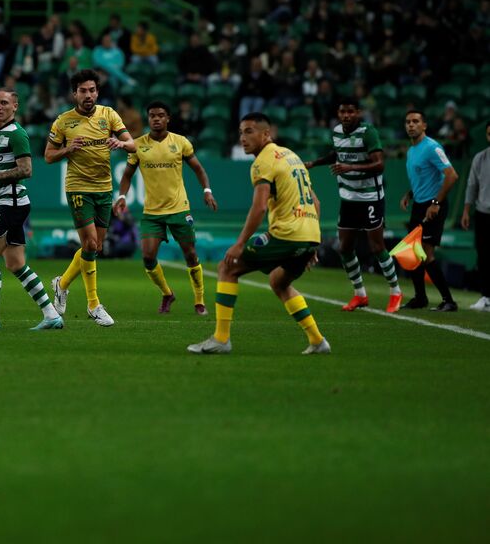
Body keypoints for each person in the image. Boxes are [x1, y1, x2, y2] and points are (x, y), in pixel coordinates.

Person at [188, 112, 330, 355]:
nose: (243, 138)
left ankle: (221, 339)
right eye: (241, 132)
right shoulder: (292, 157)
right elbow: (315, 202)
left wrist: (240, 243)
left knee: (228, 267)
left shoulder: (263, 162)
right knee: (279, 281)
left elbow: (260, 206)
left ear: (266, 134)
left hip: (288, 234)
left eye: (249, 131)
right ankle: (318, 341)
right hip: (308, 234)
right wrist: (312, 243)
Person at [0, 88, 64, 331]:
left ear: (15, 107)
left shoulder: (17, 134)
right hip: (5, 202)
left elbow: (26, 170)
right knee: (16, 265)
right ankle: (51, 315)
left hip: (12, 204)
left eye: (4, 102)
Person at [45, 69, 137, 327]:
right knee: (91, 243)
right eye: (83, 91)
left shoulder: (109, 115)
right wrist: (67, 149)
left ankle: (61, 284)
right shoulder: (64, 121)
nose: (89, 95)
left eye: (92, 90)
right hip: (78, 188)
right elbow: (48, 156)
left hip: (104, 189)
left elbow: (133, 144)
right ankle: (94, 304)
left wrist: (120, 144)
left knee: (94, 248)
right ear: (74, 93)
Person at [114, 101, 218, 314]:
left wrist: (207, 191)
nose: (156, 119)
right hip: (152, 213)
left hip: (179, 209)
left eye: (161, 115)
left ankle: (199, 301)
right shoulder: (138, 145)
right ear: (148, 118)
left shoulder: (180, 142)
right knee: (148, 257)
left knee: (190, 254)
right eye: (152, 115)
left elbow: (199, 169)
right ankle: (167, 293)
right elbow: (126, 175)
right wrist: (122, 195)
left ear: (168, 118)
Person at [305, 98, 402, 312]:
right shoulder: (337, 131)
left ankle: (395, 291)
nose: (346, 115)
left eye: (350, 111)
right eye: (342, 111)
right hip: (348, 197)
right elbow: (336, 154)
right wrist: (314, 163)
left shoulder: (368, 132)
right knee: (345, 247)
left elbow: (379, 165)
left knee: (377, 247)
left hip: (370, 198)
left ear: (358, 112)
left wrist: (349, 166)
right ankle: (360, 294)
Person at [400, 110, 459, 311]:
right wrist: (409, 194)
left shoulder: (433, 147)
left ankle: (449, 301)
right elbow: (423, 176)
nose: (411, 125)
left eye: (415, 121)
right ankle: (420, 298)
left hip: (434, 205)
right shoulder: (411, 150)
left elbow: (452, 175)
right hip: (419, 204)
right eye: (408, 122)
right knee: (414, 252)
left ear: (424, 125)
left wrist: (435, 203)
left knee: (427, 252)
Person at [460, 121, 490, 311]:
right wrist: (466, 210)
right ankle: (486, 296)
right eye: (489, 134)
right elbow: (472, 185)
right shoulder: (480, 158)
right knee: (484, 256)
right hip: (483, 213)